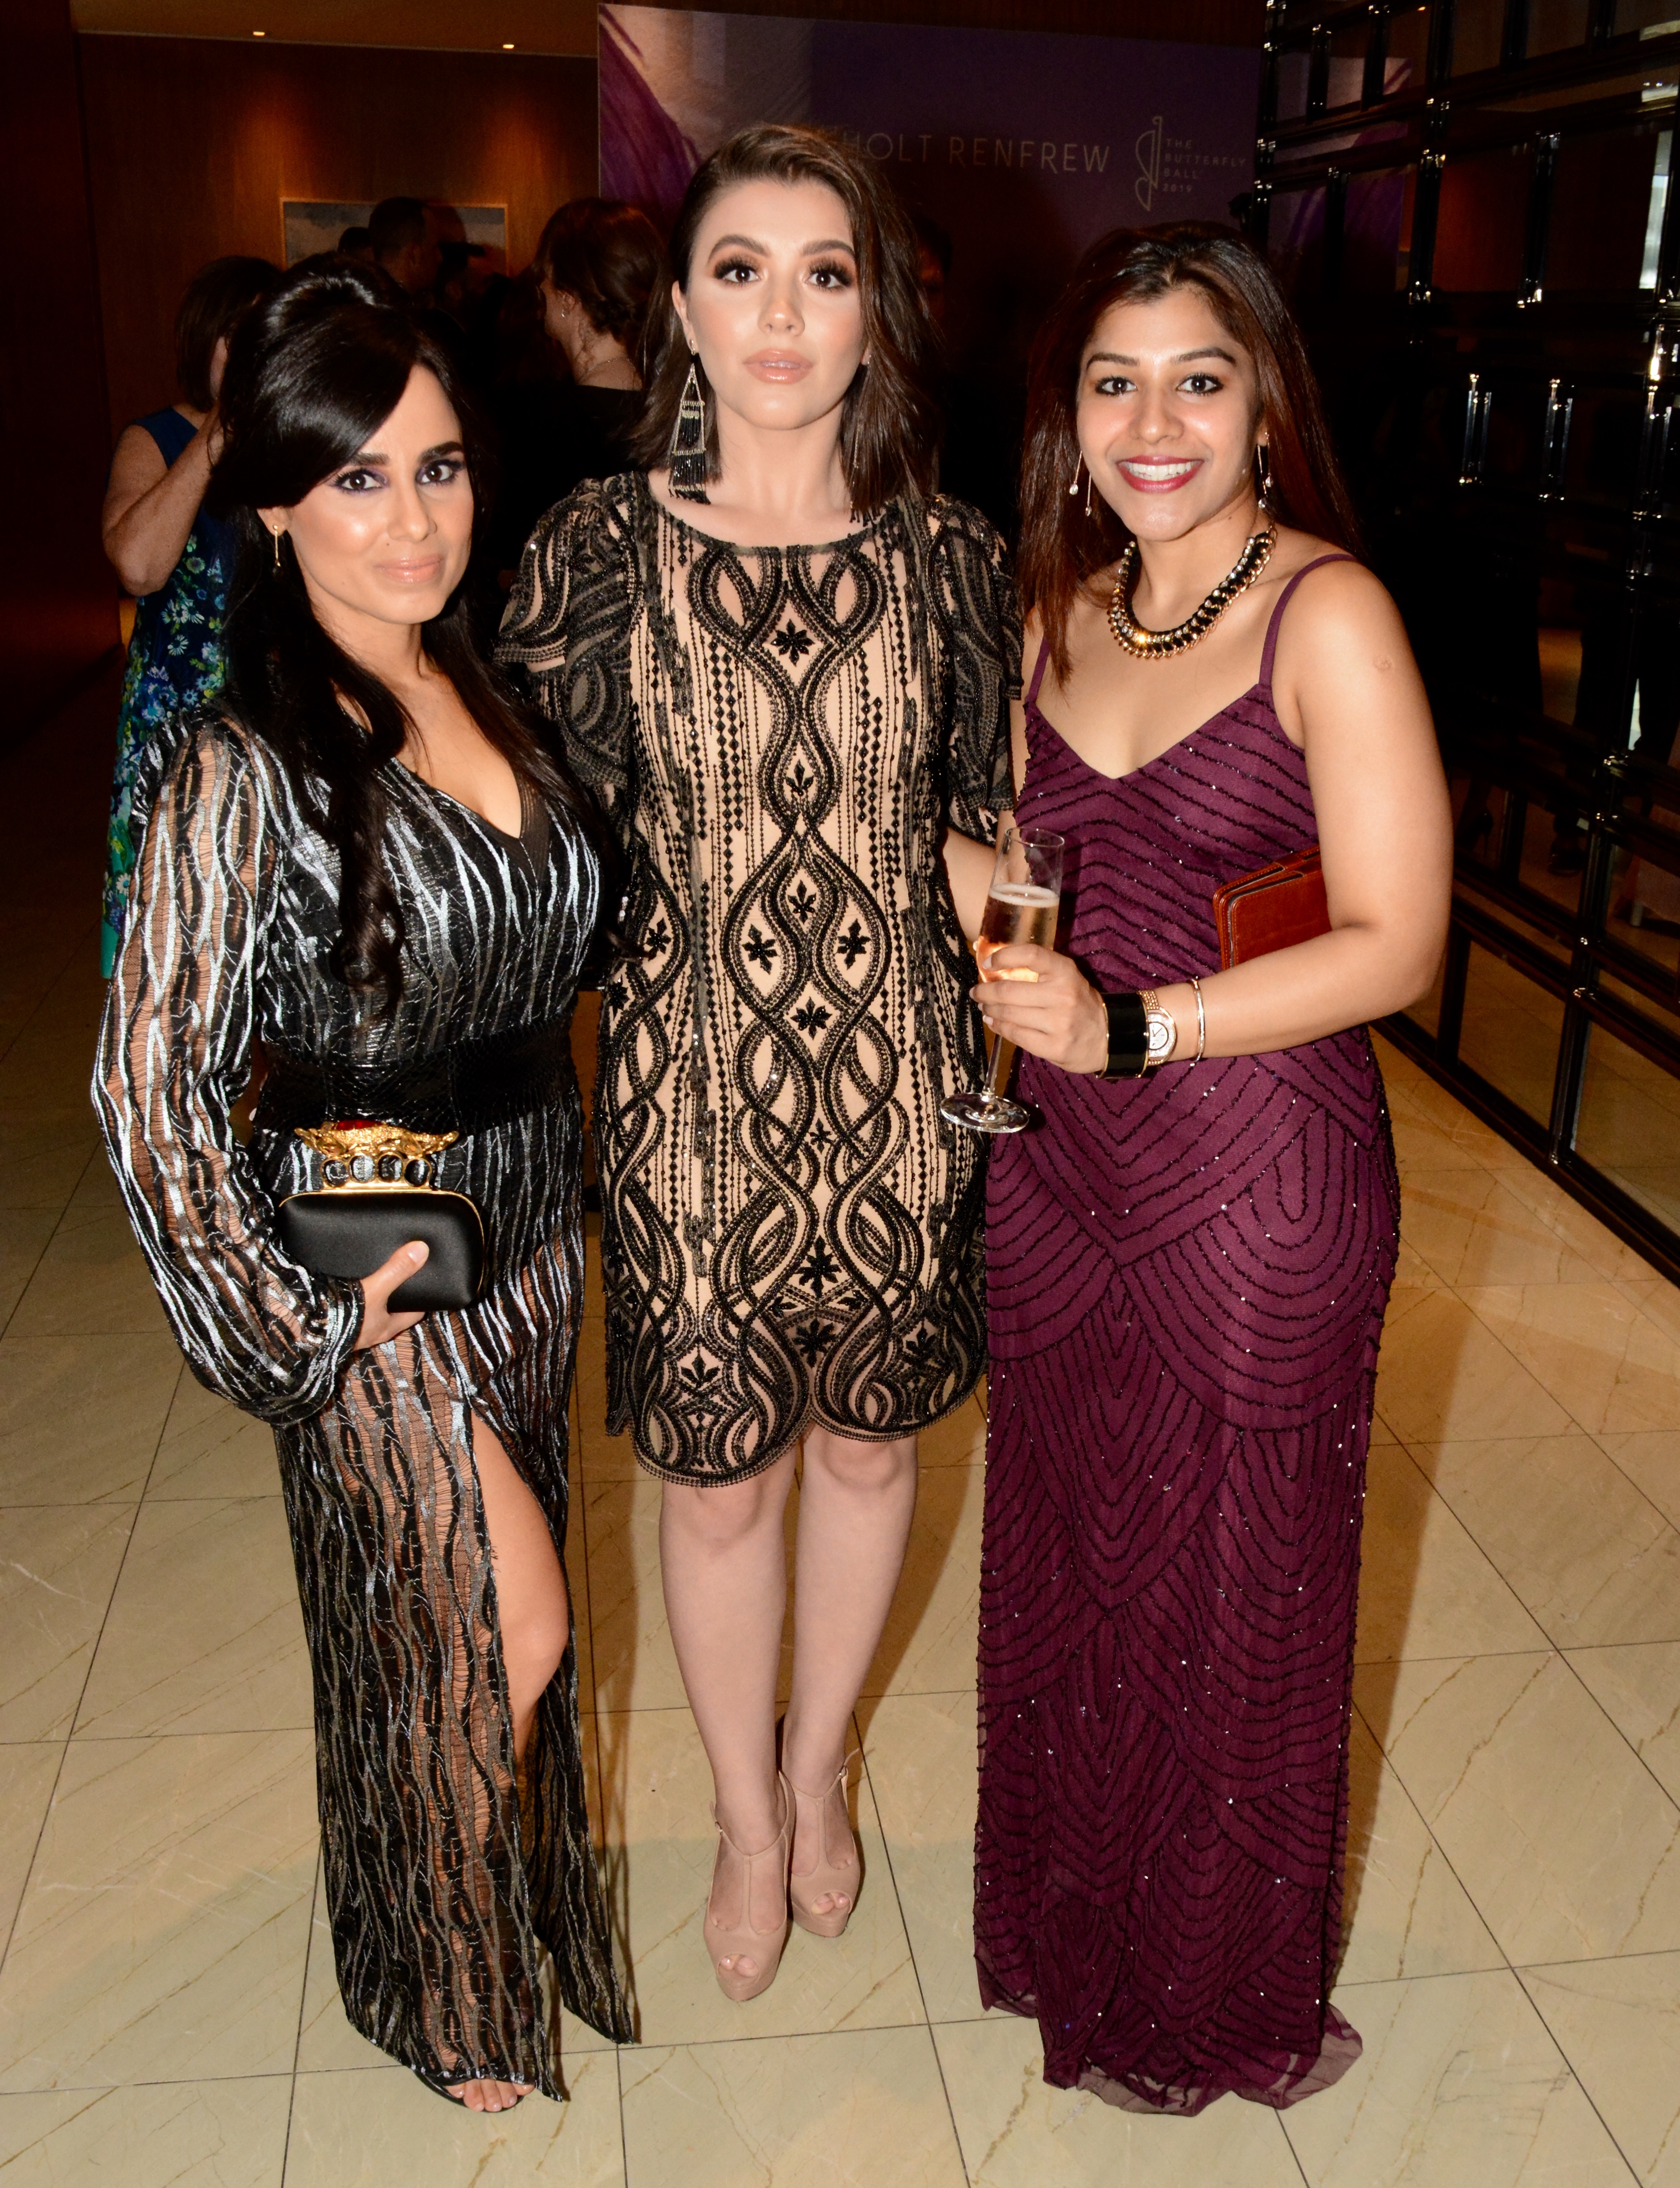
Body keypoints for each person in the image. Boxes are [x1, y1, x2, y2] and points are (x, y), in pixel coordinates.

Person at [93, 262, 630, 2111]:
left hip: (530, 1231)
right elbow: (145, 1082)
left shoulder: (491, 688)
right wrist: (293, 1321)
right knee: (504, 1621)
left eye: (440, 468)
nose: (415, 519)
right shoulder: (241, 763)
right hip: (376, 1254)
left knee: (442, 1628)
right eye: (358, 479)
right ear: (272, 505)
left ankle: (440, 1931)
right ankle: (456, 1986)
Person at [499, 124, 1015, 2002]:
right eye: (740, 270)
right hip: (689, 1094)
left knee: (871, 1453)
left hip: (896, 1086)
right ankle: (736, 1811)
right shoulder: (594, 550)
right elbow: (520, 846)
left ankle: (817, 1774)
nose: (782, 314)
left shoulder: (953, 560)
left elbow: (990, 831)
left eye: (824, 271)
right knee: (717, 1481)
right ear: (683, 314)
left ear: (877, 312)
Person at [962, 224, 1451, 2111]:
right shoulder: (1059, 604)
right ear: (1067, 414)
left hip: (1254, 1182)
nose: (1150, 421)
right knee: (1075, 1568)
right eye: (1113, 380)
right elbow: (1023, 868)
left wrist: (1135, 1026)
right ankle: (1074, 1935)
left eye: (1195, 378)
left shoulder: (1327, 612)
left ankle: (1207, 1986)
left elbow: (1397, 944)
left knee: (1229, 1596)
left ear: (1262, 409)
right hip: (1060, 1176)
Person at [99, 254, 278, 973]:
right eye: (243, 338)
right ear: (207, 340)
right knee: (179, 936)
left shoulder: (294, 441)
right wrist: (216, 433)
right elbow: (138, 566)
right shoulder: (155, 440)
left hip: (279, 716)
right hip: (179, 725)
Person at [485, 198, 666, 576]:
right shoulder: (675, 413)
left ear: (568, 298)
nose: (540, 287)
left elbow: (519, 557)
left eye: (545, 276)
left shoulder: (546, 424)